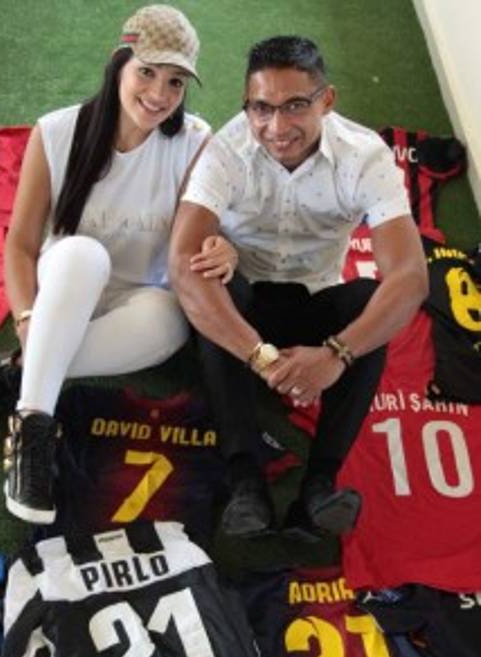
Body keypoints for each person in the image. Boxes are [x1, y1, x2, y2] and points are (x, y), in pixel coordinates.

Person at [0, 4, 236, 525]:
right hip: (65, 286)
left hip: (137, 299)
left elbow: (203, 234)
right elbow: (21, 246)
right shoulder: (56, 131)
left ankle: (12, 375)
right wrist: (28, 319)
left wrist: (223, 246)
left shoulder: (195, 141)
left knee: (171, 318)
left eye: (175, 82)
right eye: (147, 72)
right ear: (119, 63)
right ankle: (33, 429)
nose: (159, 94)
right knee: (83, 253)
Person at [169, 35, 429, 541]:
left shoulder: (365, 156)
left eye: (295, 106)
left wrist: (337, 355)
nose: (276, 127)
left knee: (370, 303)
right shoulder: (225, 150)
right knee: (209, 285)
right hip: (245, 298)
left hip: (316, 301)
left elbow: (410, 276)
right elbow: (181, 263)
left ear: (326, 101)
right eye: (261, 108)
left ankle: (320, 485)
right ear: (246, 105)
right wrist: (261, 358)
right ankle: (245, 481)